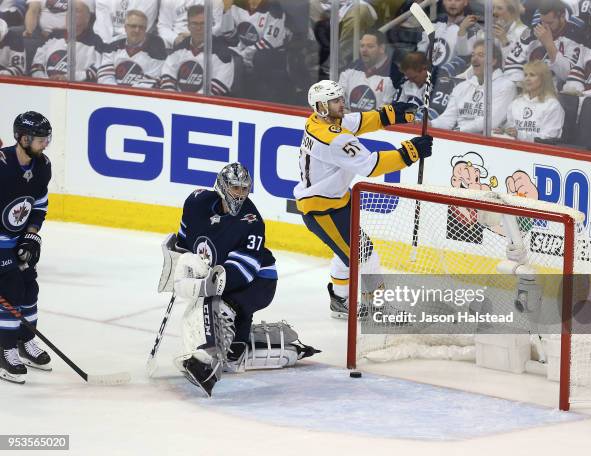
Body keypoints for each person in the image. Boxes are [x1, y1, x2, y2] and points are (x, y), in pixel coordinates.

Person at [166, 163, 317, 396]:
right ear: (222, 186)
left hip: (258, 281)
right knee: (232, 349)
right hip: (222, 277)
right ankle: (239, 346)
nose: (240, 193)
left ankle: (207, 365)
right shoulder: (196, 203)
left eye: (244, 189)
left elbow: (244, 269)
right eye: (235, 188)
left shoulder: (251, 220)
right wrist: (179, 264)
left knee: (218, 306)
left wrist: (210, 284)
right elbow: (184, 244)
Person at [293, 79, 433, 318]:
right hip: (322, 210)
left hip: (334, 201)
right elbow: (370, 165)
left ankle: (339, 301)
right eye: (335, 100)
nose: (342, 103)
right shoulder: (333, 138)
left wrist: (389, 115)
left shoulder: (318, 121)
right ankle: (378, 308)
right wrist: (410, 153)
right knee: (364, 255)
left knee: (346, 253)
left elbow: (356, 122)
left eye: (340, 98)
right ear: (322, 105)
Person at [0, 111, 53, 384]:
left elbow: (39, 205)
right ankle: (5, 349)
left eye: (47, 138)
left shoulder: (42, 166)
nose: (45, 144)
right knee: (11, 289)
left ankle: (24, 340)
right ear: (23, 138)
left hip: (19, 239)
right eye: (41, 139)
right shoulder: (1, 164)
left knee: (29, 287)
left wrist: (32, 236)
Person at [431, 40, 517, 133]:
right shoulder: (462, 87)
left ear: (493, 61)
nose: (474, 59)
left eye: (481, 55)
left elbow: (490, 122)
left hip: (486, 143)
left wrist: (458, 130)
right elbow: (447, 120)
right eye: (473, 55)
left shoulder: (506, 86)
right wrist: (429, 124)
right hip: (459, 137)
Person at [504, 0, 591, 86]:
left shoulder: (576, 35)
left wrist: (549, 44)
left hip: (557, 91)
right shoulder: (533, 30)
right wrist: (523, 84)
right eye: (543, 21)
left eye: (550, 23)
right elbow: (512, 64)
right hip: (528, 86)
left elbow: (568, 75)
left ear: (562, 16)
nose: (545, 26)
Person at [160, 4, 235, 95]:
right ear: (188, 26)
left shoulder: (223, 54)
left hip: (205, 106)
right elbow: (167, 78)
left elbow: (215, 91)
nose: (199, 28)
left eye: (203, 23)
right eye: (194, 24)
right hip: (176, 103)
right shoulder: (179, 49)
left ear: (211, 25)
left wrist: (189, 102)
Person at [30, 0, 104, 81]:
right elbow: (37, 64)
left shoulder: (96, 41)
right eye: (69, 10)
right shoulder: (54, 36)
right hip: (45, 88)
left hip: (76, 90)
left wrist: (68, 78)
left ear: (87, 18)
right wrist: (44, 80)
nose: (71, 14)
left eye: (77, 11)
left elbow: (97, 70)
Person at [495, 60, 564, 142]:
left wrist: (520, 135)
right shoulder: (517, 102)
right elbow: (510, 127)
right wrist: (503, 131)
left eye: (532, 75)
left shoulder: (552, 105)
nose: (527, 79)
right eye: (525, 75)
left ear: (543, 79)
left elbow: (549, 138)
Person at [97, 9, 166, 87]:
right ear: (125, 27)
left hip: (139, 97)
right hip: (112, 94)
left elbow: (150, 82)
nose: (137, 30)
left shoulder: (156, 51)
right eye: (133, 26)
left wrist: (127, 95)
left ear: (145, 30)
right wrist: (116, 92)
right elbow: (105, 76)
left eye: (141, 27)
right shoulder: (112, 47)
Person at [338, 30, 398, 112]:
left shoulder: (395, 75)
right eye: (362, 46)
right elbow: (338, 100)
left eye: (370, 46)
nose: (364, 50)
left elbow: (388, 113)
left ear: (382, 48)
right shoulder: (350, 69)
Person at [93, 0, 158, 45]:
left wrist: (113, 45)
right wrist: (106, 45)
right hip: (101, 42)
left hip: (134, 46)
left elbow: (139, 27)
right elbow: (102, 24)